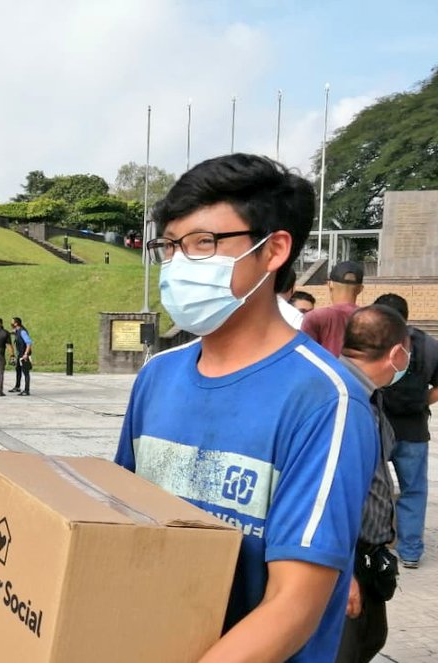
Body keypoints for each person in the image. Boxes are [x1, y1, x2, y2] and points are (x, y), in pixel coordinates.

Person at [116, 154, 377, 662]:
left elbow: (293, 604)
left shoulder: (326, 399)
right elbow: (116, 526)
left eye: (203, 243)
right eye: (169, 246)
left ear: (274, 249)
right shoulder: (157, 376)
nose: (179, 264)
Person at [334, 305, 407, 663]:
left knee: (371, 639)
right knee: (343, 651)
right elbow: (327, 494)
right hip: (344, 558)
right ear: (397, 353)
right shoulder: (341, 399)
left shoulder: (367, 394)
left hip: (366, 554)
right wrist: (344, 573)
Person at [374, 293, 438, 569]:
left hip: (377, 428)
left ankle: (371, 543)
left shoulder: (371, 341)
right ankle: (410, 551)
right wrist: (422, 402)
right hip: (414, 430)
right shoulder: (428, 345)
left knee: (369, 487)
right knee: (414, 490)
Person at [301, 261, 364, 356]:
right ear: (360, 289)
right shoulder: (371, 319)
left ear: (330, 284)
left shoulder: (315, 317)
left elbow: (305, 355)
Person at [9, 317, 33, 395]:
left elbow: (29, 343)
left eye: (12, 322)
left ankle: (26, 390)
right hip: (20, 354)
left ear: (16, 323)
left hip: (24, 355)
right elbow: (12, 332)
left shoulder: (22, 332)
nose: (11, 323)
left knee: (26, 372)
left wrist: (26, 354)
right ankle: (17, 387)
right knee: (18, 370)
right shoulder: (17, 330)